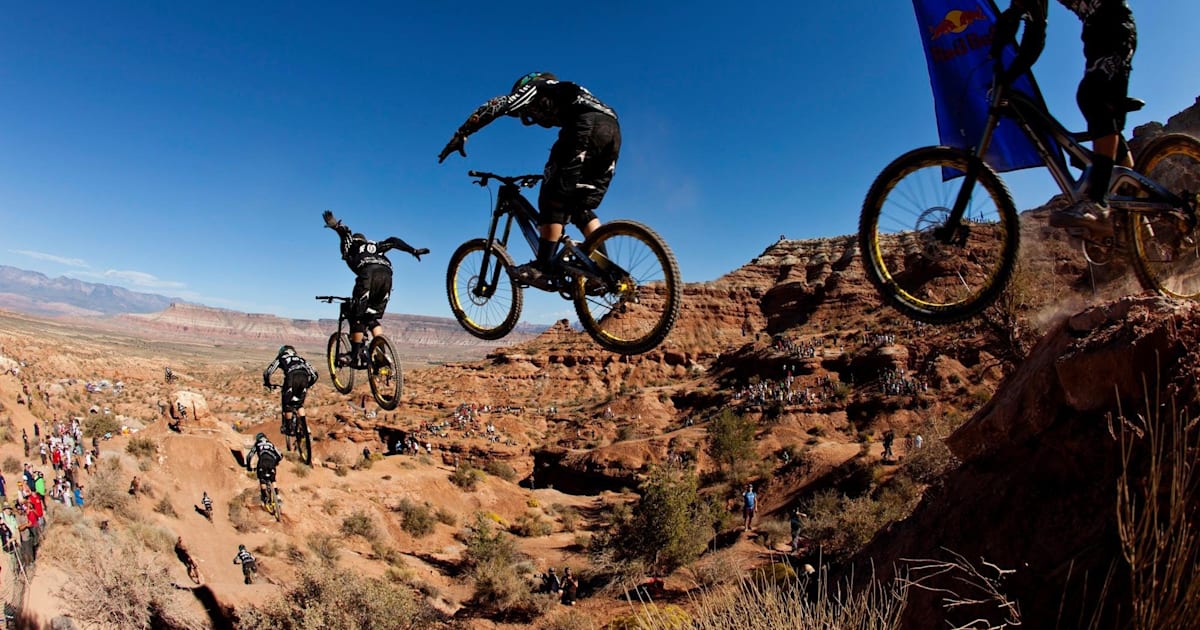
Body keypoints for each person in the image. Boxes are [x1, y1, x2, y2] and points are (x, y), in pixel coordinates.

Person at [438, 72, 621, 291]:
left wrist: (463, 132)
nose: (529, 118)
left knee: (551, 199)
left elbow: (499, 103)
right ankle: (602, 271)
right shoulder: (567, 92)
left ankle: (543, 266)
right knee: (580, 205)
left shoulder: (536, 86)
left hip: (586, 126)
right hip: (612, 130)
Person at [993, 0, 1136, 237]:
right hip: (1095, 38)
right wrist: (1008, 75)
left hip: (1116, 25)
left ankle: (1098, 203)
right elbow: (1035, 33)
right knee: (1103, 120)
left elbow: (1035, 33)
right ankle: (1137, 221)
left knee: (1092, 97)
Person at [322, 210, 428, 368]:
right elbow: (393, 241)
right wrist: (413, 250)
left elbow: (345, 234)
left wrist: (335, 224)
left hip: (368, 275)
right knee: (370, 317)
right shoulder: (376, 246)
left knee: (357, 317)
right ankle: (381, 353)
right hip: (387, 277)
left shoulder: (352, 246)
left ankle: (353, 355)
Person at [263, 345, 318, 438]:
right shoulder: (301, 359)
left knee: (287, 405)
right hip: (304, 378)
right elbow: (315, 374)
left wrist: (267, 383)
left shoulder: (281, 357)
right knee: (299, 404)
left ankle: (289, 428)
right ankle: (305, 428)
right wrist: (308, 384)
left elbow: (268, 372)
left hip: (291, 378)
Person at [245, 433, 283, 506]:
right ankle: (277, 497)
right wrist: (276, 462)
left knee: (262, 479)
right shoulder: (271, 444)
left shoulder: (258, 444)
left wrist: (249, 467)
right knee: (273, 479)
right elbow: (280, 455)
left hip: (262, 461)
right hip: (272, 461)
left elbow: (249, 456)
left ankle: (265, 498)